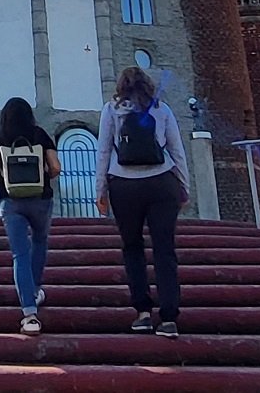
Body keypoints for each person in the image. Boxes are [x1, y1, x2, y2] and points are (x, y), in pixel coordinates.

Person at [95, 67, 190, 339]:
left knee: (132, 247)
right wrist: (184, 187)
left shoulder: (111, 109)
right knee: (164, 249)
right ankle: (169, 318)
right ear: (147, 85)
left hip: (124, 185)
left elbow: (103, 151)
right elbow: (176, 149)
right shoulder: (161, 108)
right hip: (161, 183)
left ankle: (143, 314)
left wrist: (100, 192)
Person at [0, 97, 62, 335]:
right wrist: (43, 174)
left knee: (19, 254)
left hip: (11, 202)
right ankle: (33, 290)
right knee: (40, 241)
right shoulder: (40, 135)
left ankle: (30, 315)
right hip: (41, 199)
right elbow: (56, 167)